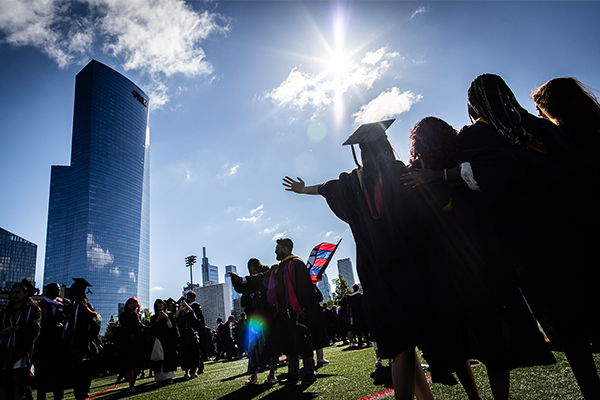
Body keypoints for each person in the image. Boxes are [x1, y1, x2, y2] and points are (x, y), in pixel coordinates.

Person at [282, 119, 451, 400]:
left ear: (361, 152)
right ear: (385, 146)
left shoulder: (350, 183)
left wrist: (302, 190)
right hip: (407, 266)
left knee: (402, 343)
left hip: (374, 271)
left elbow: (325, 187)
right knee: (406, 343)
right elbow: (426, 211)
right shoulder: (398, 173)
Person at [230, 258, 280, 385]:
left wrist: (242, 279)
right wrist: (236, 280)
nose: (252, 273)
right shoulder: (250, 283)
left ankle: (272, 374)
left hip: (267, 318)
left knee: (269, 346)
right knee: (253, 347)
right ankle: (254, 376)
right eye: (250, 271)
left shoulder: (266, 275)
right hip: (253, 320)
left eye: (254, 269)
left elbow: (258, 279)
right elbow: (241, 291)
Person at [0, 279, 41, 400]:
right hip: (4, 349)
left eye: (18, 292)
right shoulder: (5, 312)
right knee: (2, 381)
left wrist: (19, 328)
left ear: (25, 294)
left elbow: (35, 329)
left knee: (18, 381)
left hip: (21, 349)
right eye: (13, 293)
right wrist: (3, 332)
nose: (15, 295)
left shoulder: (33, 310)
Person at [62, 278, 101, 400]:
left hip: (81, 348)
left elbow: (83, 328)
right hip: (84, 346)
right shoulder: (81, 305)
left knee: (81, 383)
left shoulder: (81, 306)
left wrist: (82, 349)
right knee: (80, 383)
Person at [34, 283, 70, 400]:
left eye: (59, 289)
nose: (58, 290)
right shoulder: (40, 306)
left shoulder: (62, 304)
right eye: (56, 288)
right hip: (44, 345)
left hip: (59, 345)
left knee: (59, 375)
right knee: (43, 377)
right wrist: (47, 328)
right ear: (48, 290)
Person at [118, 297, 148, 393]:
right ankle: (131, 385)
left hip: (137, 341)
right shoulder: (123, 315)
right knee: (130, 363)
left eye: (134, 303)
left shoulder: (138, 315)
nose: (132, 305)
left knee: (137, 363)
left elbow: (139, 326)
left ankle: (133, 384)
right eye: (130, 303)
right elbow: (128, 324)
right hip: (127, 341)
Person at [150, 299, 178, 387]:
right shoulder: (153, 318)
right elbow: (153, 329)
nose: (159, 308)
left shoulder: (169, 315)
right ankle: (159, 379)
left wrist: (166, 318)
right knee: (158, 360)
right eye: (158, 307)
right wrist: (157, 321)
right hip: (159, 340)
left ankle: (169, 377)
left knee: (168, 358)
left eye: (161, 306)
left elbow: (172, 327)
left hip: (168, 340)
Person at [175, 297, 202, 379]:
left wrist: (186, 305)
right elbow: (174, 318)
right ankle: (186, 372)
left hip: (191, 336)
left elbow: (192, 312)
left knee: (193, 354)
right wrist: (179, 310)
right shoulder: (179, 316)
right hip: (183, 338)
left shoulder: (189, 313)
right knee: (185, 355)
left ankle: (194, 371)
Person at [185, 291, 206, 368]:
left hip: (196, 329)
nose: (187, 299)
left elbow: (198, 319)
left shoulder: (196, 306)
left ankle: (200, 365)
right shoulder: (187, 307)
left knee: (198, 349)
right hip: (189, 330)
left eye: (188, 298)